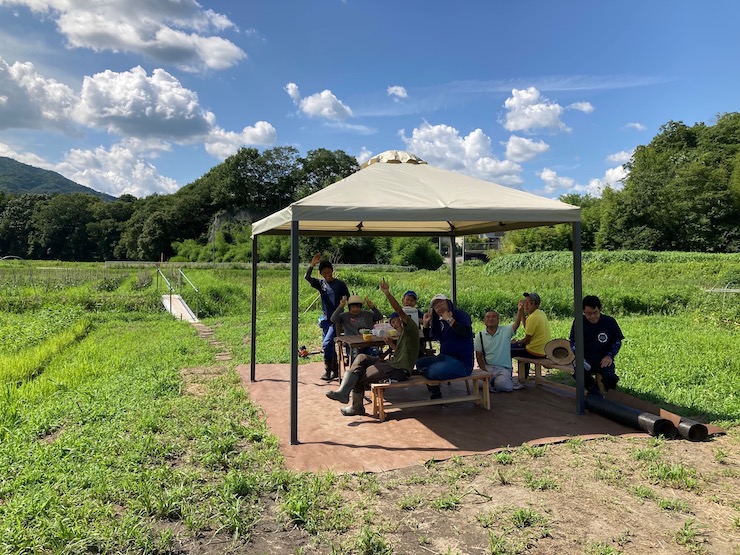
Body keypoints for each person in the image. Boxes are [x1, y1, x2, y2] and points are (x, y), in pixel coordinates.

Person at [326, 279, 419, 416]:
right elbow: (403, 351)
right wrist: (391, 345)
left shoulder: (411, 327)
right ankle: (343, 393)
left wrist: (387, 293)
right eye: (392, 323)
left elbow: (398, 310)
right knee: (361, 357)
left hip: (399, 370)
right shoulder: (402, 335)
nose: (394, 325)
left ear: (403, 320)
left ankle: (355, 405)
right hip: (392, 364)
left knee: (359, 375)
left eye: (396, 322)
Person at [417, 294, 474, 399]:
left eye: (441, 303)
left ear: (448, 302)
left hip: (461, 362)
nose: (439, 307)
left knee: (432, 371)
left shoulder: (460, 314)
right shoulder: (440, 322)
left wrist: (450, 320)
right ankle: (436, 391)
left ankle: (430, 375)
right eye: (436, 306)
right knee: (420, 363)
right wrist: (426, 325)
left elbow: (466, 333)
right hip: (444, 358)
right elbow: (431, 338)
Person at [305, 254, 350, 381]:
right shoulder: (321, 284)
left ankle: (330, 370)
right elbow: (307, 277)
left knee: (327, 343)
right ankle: (331, 370)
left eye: (329, 271)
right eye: (324, 273)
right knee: (327, 346)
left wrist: (345, 306)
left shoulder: (340, 284)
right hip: (326, 320)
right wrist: (312, 264)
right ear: (321, 274)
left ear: (332, 271)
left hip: (336, 320)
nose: (327, 274)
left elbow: (348, 298)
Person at [570, 295, 624, 396]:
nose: (592, 316)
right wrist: (578, 356)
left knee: (609, 377)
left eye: (595, 313)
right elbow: (573, 343)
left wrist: (610, 356)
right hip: (586, 358)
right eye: (588, 314)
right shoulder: (579, 322)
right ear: (583, 312)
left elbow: (617, 342)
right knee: (580, 374)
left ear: (600, 309)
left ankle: (610, 395)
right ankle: (594, 391)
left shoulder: (609, 322)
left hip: (603, 357)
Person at [474, 308, 525, 392]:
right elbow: (478, 356)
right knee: (479, 384)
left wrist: (520, 310)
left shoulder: (506, 331)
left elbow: (516, 325)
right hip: (488, 367)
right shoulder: (480, 336)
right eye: (488, 317)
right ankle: (494, 382)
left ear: (498, 320)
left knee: (503, 385)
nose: (491, 319)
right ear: (484, 321)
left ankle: (502, 382)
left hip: (503, 369)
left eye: (494, 317)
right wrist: (484, 371)